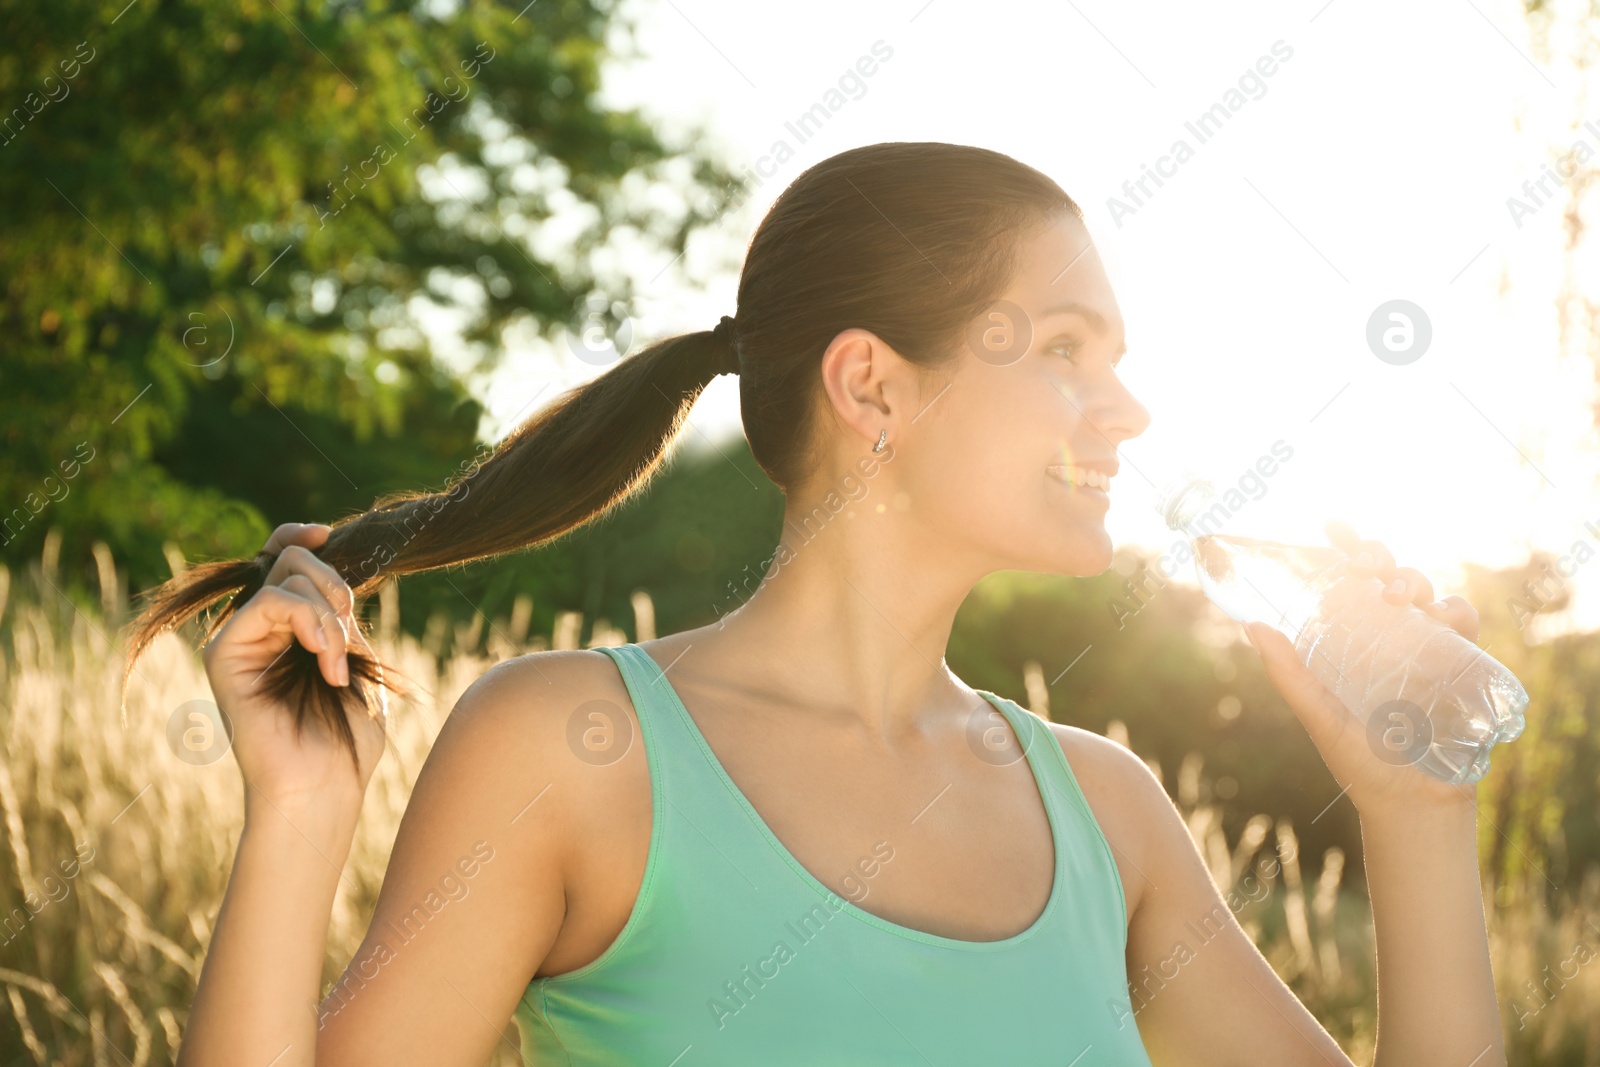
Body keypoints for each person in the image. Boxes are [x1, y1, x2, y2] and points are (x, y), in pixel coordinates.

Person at [126, 142, 1504, 1065]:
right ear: (872, 387)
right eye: (1067, 349)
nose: (1129, 407)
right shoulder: (571, 750)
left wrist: (1417, 812)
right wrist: (301, 822)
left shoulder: (1112, 815)